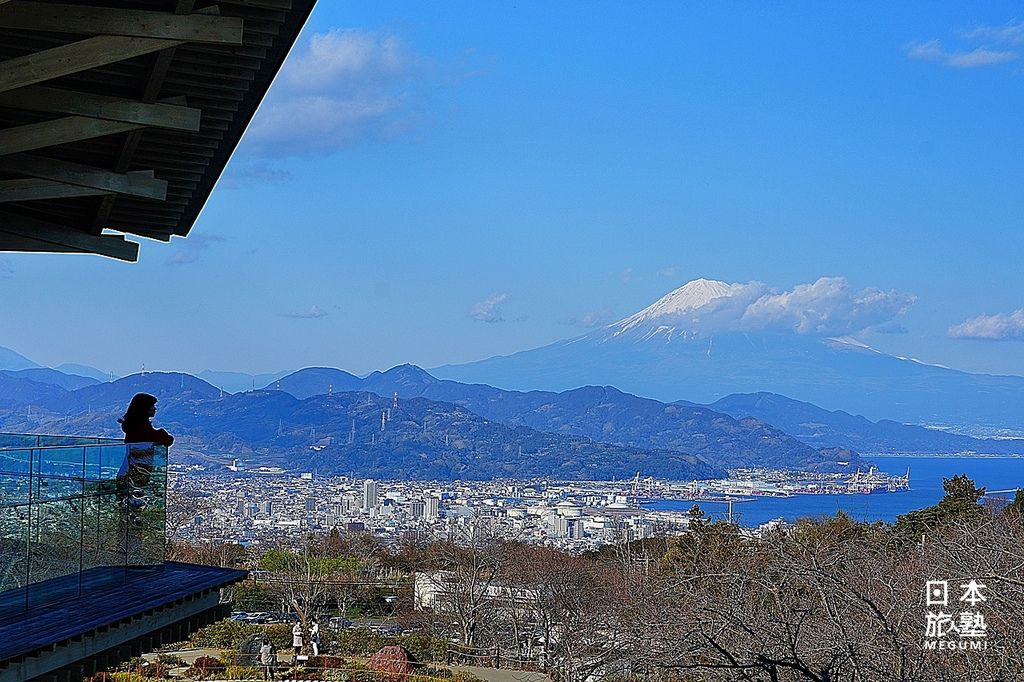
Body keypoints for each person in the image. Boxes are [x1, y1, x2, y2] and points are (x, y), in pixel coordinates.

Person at [116, 393, 172, 508]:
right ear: (144, 409)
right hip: (137, 473)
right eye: (152, 406)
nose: (155, 409)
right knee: (135, 511)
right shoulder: (143, 429)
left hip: (128, 471)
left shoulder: (132, 427)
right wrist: (161, 432)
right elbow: (167, 440)